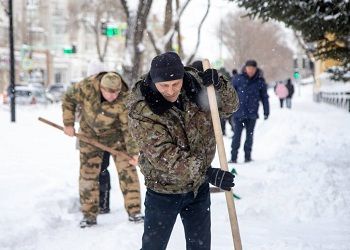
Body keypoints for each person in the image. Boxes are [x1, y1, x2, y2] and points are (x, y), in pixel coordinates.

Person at [128, 52, 239, 250]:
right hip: (163, 189)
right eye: (164, 86)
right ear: (154, 81)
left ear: (183, 78)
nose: (171, 91)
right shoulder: (142, 109)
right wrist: (207, 173)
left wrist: (220, 86)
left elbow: (230, 107)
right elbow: (163, 156)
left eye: (176, 84)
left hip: (198, 190)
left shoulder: (197, 86)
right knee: (154, 247)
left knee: (200, 247)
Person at [62, 71, 143, 228]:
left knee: (128, 171)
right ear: (100, 87)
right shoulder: (85, 87)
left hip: (116, 137)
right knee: (88, 174)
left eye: (116, 92)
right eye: (109, 92)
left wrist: (133, 152)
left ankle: (135, 212)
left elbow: (128, 128)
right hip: (89, 135)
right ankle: (89, 215)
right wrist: (68, 123)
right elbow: (68, 98)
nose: (113, 96)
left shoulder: (125, 98)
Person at [229, 59, 269, 163]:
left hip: (252, 115)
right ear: (245, 68)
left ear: (256, 69)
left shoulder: (260, 82)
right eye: (249, 68)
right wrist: (228, 110)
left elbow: (264, 97)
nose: (251, 70)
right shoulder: (237, 79)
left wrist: (266, 111)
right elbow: (230, 96)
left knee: (249, 137)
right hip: (238, 114)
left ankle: (247, 157)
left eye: (253, 69)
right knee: (236, 137)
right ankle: (233, 158)